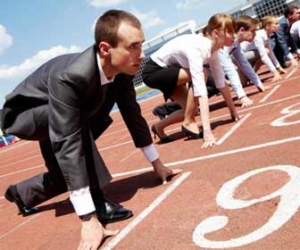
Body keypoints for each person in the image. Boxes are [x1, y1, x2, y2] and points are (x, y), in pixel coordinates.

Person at [1, 10, 180, 250]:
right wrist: (87, 218)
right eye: (133, 46)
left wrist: (158, 165)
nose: (141, 54)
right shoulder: (70, 77)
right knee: (75, 135)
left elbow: (132, 115)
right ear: (106, 48)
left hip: (62, 113)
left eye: (142, 45)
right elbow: (68, 141)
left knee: (63, 175)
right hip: (26, 115)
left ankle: (20, 194)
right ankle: (96, 203)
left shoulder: (123, 71)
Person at [142, 13, 239, 148]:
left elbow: (220, 82)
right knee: (203, 74)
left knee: (191, 111)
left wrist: (233, 111)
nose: (234, 35)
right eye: (230, 31)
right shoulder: (198, 49)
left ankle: (158, 127)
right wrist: (207, 132)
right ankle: (188, 123)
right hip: (153, 71)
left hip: (171, 70)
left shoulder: (213, 51)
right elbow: (201, 92)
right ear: (216, 33)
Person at [218, 15, 266, 108]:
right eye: (252, 31)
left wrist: (258, 83)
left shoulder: (236, 43)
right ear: (242, 30)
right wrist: (242, 96)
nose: (255, 34)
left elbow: (244, 63)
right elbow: (230, 69)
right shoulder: (227, 43)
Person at [241, 15, 286, 82]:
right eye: (276, 24)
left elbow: (271, 53)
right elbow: (264, 56)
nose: (278, 25)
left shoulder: (267, 35)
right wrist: (275, 72)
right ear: (268, 26)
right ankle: (250, 74)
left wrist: (278, 67)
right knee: (265, 52)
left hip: (249, 55)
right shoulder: (259, 36)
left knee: (267, 51)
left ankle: (252, 74)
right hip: (240, 57)